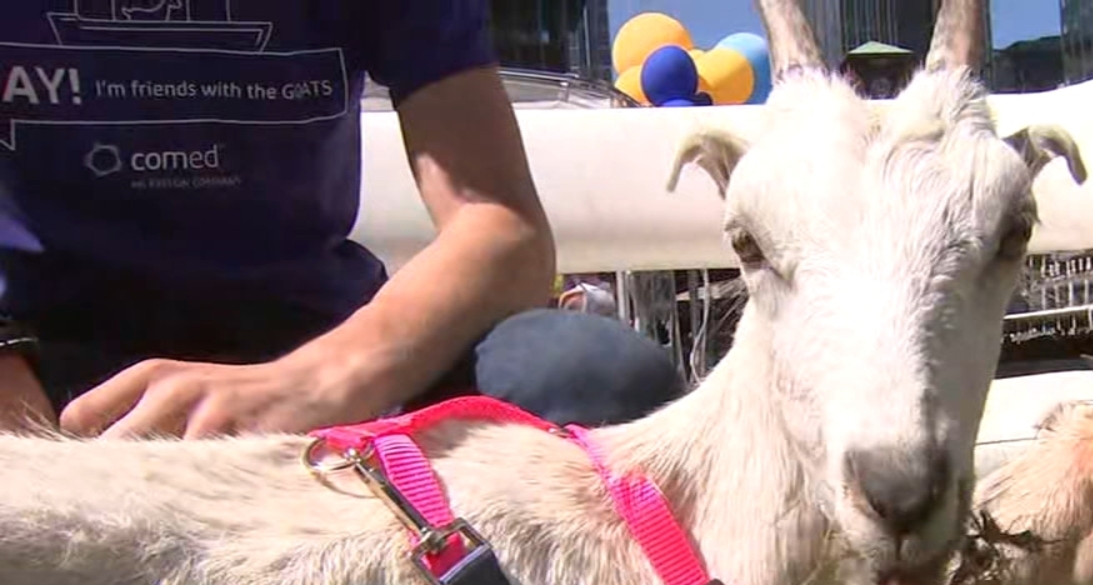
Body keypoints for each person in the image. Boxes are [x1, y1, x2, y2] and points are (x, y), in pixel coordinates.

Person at [0, 0, 685, 439]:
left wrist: (321, 381)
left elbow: (501, 226)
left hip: (314, 343)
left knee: (597, 379)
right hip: (42, 351)